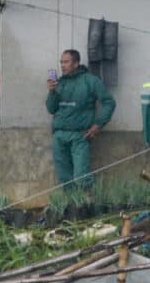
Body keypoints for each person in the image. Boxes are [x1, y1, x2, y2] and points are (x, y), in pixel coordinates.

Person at [43, 48, 114, 192]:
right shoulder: (59, 83)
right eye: (61, 62)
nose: (63, 65)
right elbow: (51, 109)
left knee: (81, 177)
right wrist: (51, 92)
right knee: (64, 178)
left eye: (66, 62)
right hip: (59, 135)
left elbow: (109, 102)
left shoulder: (90, 81)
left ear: (76, 64)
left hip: (79, 136)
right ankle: (72, 208)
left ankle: (87, 205)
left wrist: (98, 125)